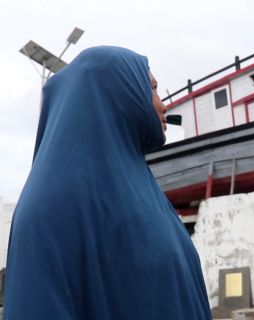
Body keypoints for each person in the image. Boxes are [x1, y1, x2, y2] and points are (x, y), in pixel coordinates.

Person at [4, 46, 212, 319]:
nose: (163, 104)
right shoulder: (46, 210)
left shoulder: (146, 193)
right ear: (117, 93)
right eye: (153, 88)